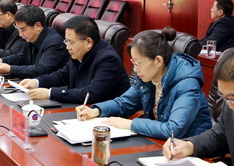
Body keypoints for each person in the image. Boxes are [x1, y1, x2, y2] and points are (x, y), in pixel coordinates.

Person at [77, 27, 211, 140]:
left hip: (190, 150)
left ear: (158, 61)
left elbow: (173, 129)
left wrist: (131, 124)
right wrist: (96, 111)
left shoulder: (187, 83)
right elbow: (123, 104)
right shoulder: (147, 79)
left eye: (138, 63)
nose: (135, 70)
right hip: (160, 143)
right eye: (133, 63)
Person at [20, 15, 129, 104]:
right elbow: (62, 75)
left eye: (71, 42)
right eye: (66, 41)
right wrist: (37, 82)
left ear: (88, 42)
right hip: (82, 109)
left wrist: (50, 93)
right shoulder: (80, 52)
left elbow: (90, 94)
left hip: (105, 116)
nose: (67, 47)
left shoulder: (108, 59)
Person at [0, 6, 69, 78]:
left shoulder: (54, 42)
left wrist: (10, 69)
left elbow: (41, 70)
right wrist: (2, 60)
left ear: (38, 26)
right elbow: (22, 57)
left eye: (23, 29)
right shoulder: (32, 36)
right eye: (18, 29)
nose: (20, 34)